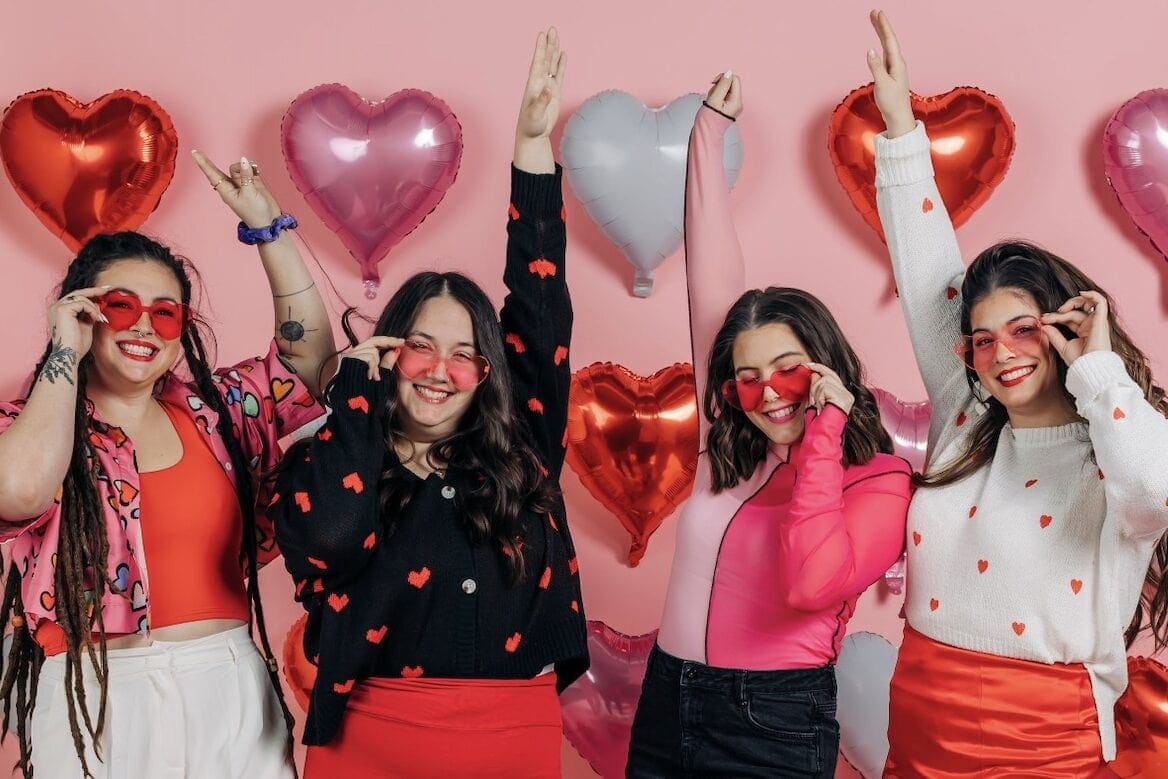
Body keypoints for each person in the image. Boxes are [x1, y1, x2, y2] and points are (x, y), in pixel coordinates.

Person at [270, 27, 588, 779]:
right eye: (420, 347)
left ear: (487, 373)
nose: (440, 371)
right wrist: (353, 398)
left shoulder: (525, 448)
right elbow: (329, 541)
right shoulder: (332, 455)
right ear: (388, 353)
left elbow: (541, 307)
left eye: (464, 353)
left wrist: (531, 151)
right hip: (371, 736)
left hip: (511, 736)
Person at [868, 10, 1168, 775]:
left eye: (1024, 329)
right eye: (981, 337)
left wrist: (1100, 374)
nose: (1001, 355)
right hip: (919, 711)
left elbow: (1156, 488)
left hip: (1042, 736)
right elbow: (925, 270)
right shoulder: (966, 413)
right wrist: (901, 130)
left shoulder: (1116, 439)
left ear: (1064, 323)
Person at [0, 153, 335, 777]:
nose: (144, 327)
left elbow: (308, 366)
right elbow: (18, 491)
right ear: (80, 311)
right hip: (97, 693)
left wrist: (269, 229)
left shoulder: (218, 414)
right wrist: (64, 353)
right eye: (120, 306)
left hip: (228, 684)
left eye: (165, 312)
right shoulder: (26, 425)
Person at [625, 72, 912, 779]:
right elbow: (712, 284)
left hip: (771, 721)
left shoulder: (881, 478)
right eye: (746, 377)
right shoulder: (727, 449)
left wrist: (826, 431)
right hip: (668, 697)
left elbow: (812, 582)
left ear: (826, 365)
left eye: (787, 369)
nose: (766, 394)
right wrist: (706, 134)